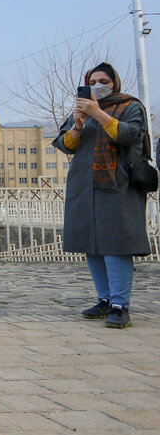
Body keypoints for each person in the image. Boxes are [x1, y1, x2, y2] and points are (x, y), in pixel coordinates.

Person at [53, 62, 150, 329]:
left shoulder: (130, 106)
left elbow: (131, 135)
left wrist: (99, 113)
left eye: (104, 81)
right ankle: (104, 300)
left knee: (115, 244)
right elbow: (65, 144)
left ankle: (120, 305)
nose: (98, 85)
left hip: (118, 184)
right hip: (85, 185)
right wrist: (79, 125)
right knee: (92, 244)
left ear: (114, 83)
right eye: (93, 81)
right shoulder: (80, 111)